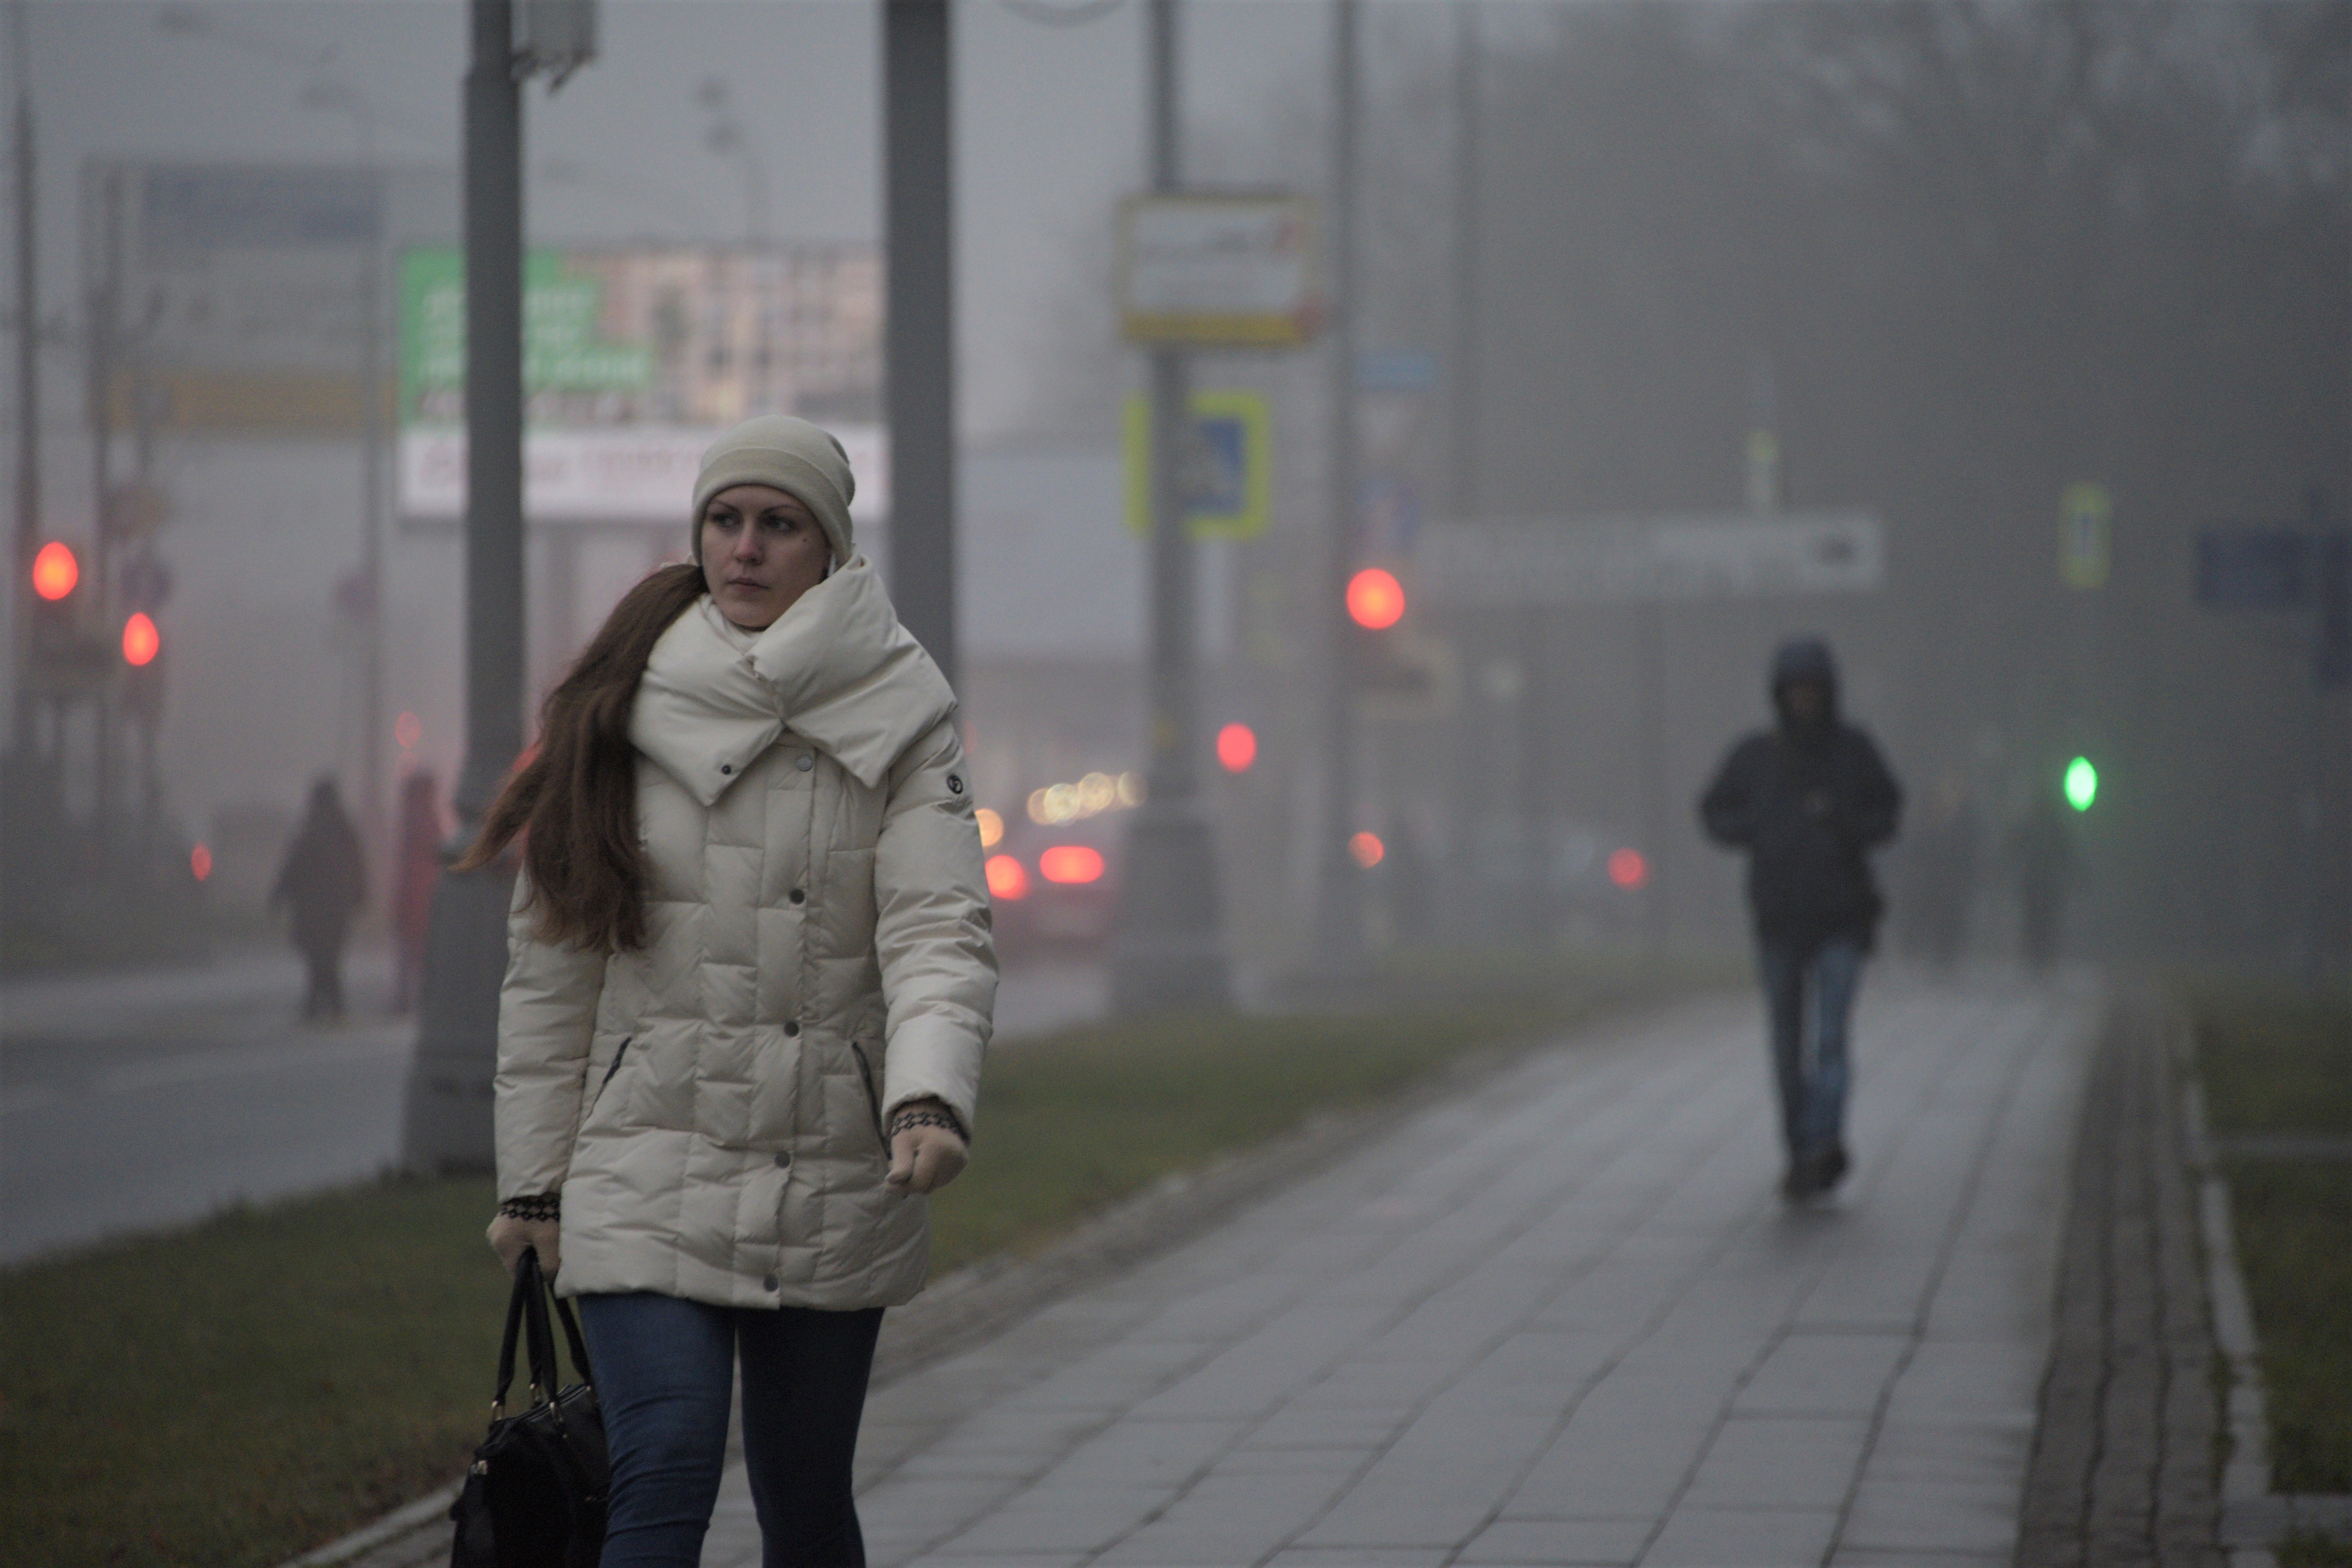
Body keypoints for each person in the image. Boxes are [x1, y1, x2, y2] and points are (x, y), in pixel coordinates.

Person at [465, 415, 996, 1567]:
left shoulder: (904, 712)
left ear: (831, 547)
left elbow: (938, 926)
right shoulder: (617, 709)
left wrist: (929, 1096)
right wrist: (536, 1183)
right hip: (645, 1156)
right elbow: (553, 977)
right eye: (725, 519)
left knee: (807, 1501)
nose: (747, 547)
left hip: (830, 1158)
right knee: (666, 1465)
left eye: (778, 522)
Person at [1698, 638, 1902, 1201]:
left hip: (1840, 918)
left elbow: (1889, 810)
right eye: (1796, 691)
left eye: (1813, 690)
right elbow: (1714, 810)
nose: (1805, 701)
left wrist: (1851, 825)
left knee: (1831, 1040)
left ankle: (1820, 1139)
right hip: (1779, 919)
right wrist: (1757, 832)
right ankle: (1801, 1144)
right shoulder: (1756, 756)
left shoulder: (1854, 751)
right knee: (1787, 1046)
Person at [269, 776, 368, 1021]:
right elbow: (358, 867)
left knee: (317, 955)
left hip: (312, 908)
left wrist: (279, 894)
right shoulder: (344, 829)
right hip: (336, 907)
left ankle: (320, 1001)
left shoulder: (310, 829)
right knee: (330, 955)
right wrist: (360, 895)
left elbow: (293, 866)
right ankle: (329, 1002)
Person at [393, 769, 444, 1013]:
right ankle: (417, 996)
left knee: (411, 950)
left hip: (416, 893)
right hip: (425, 893)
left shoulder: (414, 822)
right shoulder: (431, 822)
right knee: (420, 951)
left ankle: (408, 997)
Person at [2012, 792, 2076, 973]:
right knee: (2046, 924)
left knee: (2035, 923)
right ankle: (2043, 960)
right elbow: (2070, 856)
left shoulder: (2030, 827)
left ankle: (2036, 960)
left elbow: (2013, 850)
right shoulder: (2057, 828)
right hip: (2049, 887)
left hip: (2035, 886)